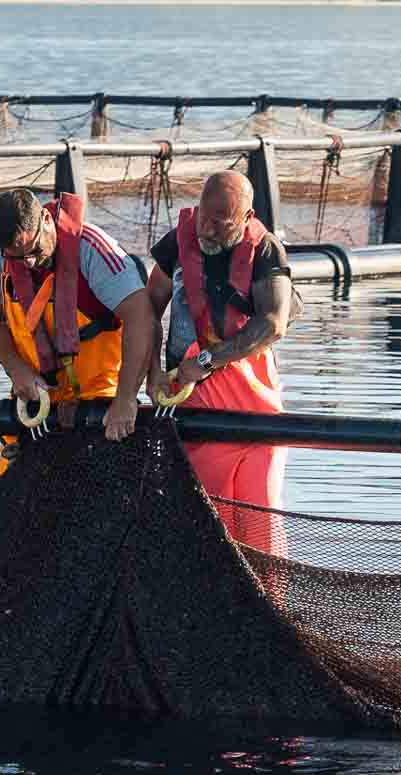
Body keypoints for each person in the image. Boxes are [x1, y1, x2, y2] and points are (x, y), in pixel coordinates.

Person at [146, 171, 295, 557]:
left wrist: (210, 360)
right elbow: (146, 311)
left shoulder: (265, 251)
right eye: (204, 218)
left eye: (222, 223)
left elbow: (274, 323)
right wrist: (151, 373)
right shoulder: (175, 246)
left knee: (259, 521)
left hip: (251, 401)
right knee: (201, 520)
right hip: (189, 398)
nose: (208, 230)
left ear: (247, 218)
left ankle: (268, 603)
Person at [0, 188, 157, 450]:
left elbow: (142, 316)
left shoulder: (93, 250)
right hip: (36, 403)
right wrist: (16, 368)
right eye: (17, 258)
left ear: (47, 220)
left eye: (35, 250)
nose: (30, 263)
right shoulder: (0, 257)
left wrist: (126, 398)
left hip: (100, 405)